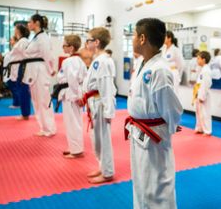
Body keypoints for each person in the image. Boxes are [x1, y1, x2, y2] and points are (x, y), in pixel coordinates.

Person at [124, 18, 183, 209]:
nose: (132, 39)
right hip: (139, 131)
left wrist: (166, 129)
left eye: (133, 35)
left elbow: (172, 109)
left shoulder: (159, 70)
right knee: (141, 181)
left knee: (158, 184)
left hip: (154, 135)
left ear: (142, 38)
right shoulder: (144, 64)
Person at [78, 27, 116, 183]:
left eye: (88, 40)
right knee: (97, 139)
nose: (86, 43)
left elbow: (106, 87)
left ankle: (108, 172)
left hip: (101, 103)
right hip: (94, 102)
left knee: (104, 139)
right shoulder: (97, 60)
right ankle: (102, 166)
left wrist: (108, 111)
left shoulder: (104, 62)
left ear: (97, 42)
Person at [25, 14, 56, 137]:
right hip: (34, 70)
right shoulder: (36, 37)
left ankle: (49, 129)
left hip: (40, 71)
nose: (28, 24)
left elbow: (47, 55)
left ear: (36, 23)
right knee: (37, 101)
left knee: (43, 100)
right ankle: (44, 127)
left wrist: (51, 69)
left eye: (30, 22)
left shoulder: (43, 38)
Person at [57, 34, 87, 158]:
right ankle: (74, 146)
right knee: (73, 121)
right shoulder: (78, 60)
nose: (62, 47)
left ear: (71, 47)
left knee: (73, 122)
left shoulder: (69, 61)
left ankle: (77, 150)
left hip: (71, 93)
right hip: (73, 92)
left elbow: (72, 79)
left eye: (64, 45)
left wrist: (76, 96)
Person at [11, 24, 32, 120]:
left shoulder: (23, 41)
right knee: (22, 90)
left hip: (22, 66)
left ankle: (25, 114)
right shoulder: (22, 41)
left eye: (15, 29)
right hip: (20, 66)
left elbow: (26, 55)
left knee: (23, 90)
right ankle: (25, 113)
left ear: (18, 31)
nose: (14, 30)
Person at [193, 51, 212, 136]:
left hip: (203, 93)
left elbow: (206, 84)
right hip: (199, 91)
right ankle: (200, 128)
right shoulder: (202, 69)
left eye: (198, 58)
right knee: (198, 112)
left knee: (205, 113)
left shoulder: (206, 70)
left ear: (204, 60)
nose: (197, 60)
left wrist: (202, 96)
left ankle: (207, 130)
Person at [6, 36, 20, 108]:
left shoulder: (17, 49)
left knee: (14, 88)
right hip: (11, 71)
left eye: (11, 40)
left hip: (15, 71)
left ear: (15, 41)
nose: (10, 41)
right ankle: (16, 102)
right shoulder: (13, 49)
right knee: (13, 87)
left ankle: (16, 103)